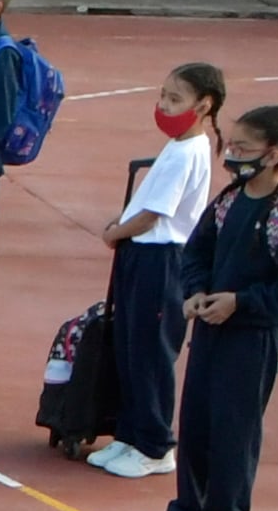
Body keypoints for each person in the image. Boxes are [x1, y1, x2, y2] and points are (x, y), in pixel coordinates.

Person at [152, 103, 278, 511]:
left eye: (245, 147)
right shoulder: (229, 199)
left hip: (252, 337)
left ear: (274, 154)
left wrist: (239, 303)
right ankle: (188, 508)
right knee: (198, 418)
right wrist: (196, 291)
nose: (234, 155)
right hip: (210, 327)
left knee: (235, 429)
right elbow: (198, 252)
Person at [84, 61, 223, 483]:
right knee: (128, 345)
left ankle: (155, 444)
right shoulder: (177, 145)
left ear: (204, 105)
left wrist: (115, 233)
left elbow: (153, 215)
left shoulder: (189, 151)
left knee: (150, 351)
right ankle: (130, 431)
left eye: (175, 99)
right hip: (141, 254)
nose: (164, 105)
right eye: (162, 95)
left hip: (161, 259)